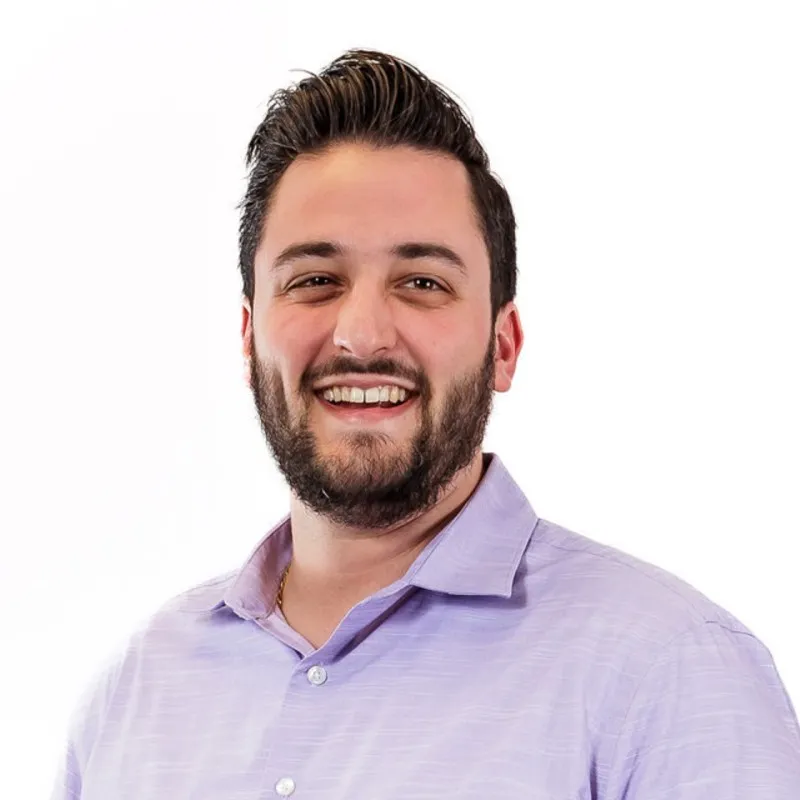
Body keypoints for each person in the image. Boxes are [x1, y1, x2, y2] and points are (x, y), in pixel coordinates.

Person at [51, 48, 800, 799]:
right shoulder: (132, 699)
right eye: (315, 280)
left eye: (421, 282)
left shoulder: (671, 676)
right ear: (249, 340)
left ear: (502, 346)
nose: (362, 335)